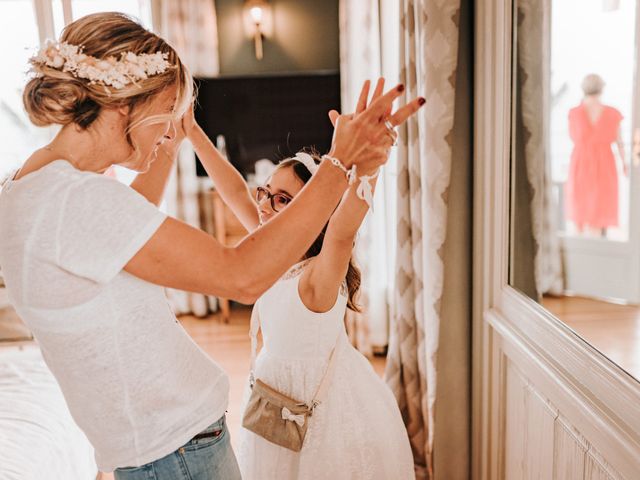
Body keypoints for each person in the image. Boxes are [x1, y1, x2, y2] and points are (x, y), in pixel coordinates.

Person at [0, 12, 422, 480]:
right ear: (125, 106)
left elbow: (126, 228)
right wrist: (340, 160)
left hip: (159, 445)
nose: (166, 130)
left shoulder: (32, 188)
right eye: (165, 112)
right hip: (176, 452)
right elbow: (240, 275)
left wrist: (177, 141)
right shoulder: (77, 200)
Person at [184, 79, 417, 479]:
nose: (265, 206)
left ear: (315, 211)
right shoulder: (272, 254)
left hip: (325, 415)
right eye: (267, 192)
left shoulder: (318, 278)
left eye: (283, 199)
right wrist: (190, 129)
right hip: (274, 406)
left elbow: (344, 229)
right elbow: (235, 192)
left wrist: (370, 166)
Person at [565, 73, 627, 237]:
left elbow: (572, 136)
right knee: (599, 212)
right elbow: (620, 142)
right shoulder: (613, 113)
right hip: (605, 164)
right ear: (602, 89)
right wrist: (625, 163)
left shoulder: (574, 113)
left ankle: (578, 252)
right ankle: (596, 245)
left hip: (580, 163)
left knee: (579, 209)